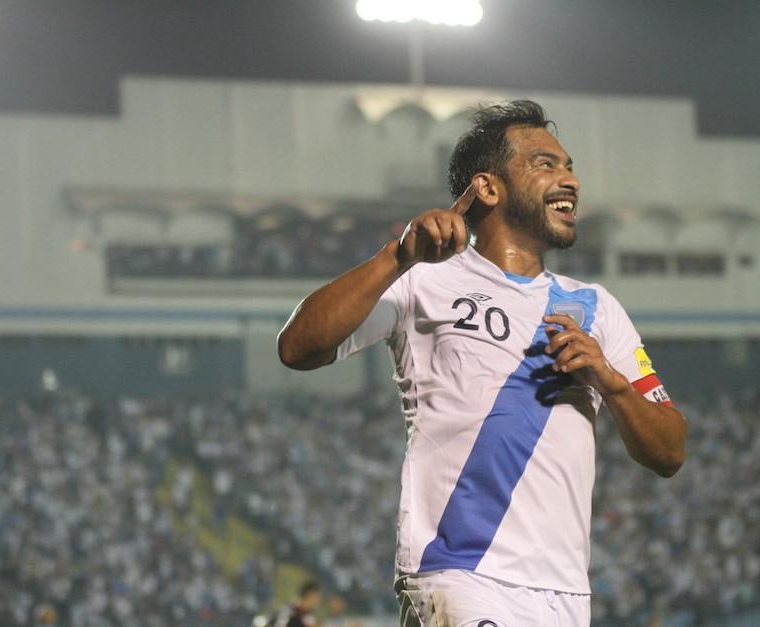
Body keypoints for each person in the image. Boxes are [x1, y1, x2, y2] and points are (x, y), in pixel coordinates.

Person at [278, 100, 686, 626]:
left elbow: (670, 451)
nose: (571, 180)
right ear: (489, 188)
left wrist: (612, 383)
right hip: (462, 574)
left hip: (563, 592)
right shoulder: (423, 278)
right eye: (545, 164)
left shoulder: (596, 308)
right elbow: (297, 347)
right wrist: (396, 257)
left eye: (569, 166)